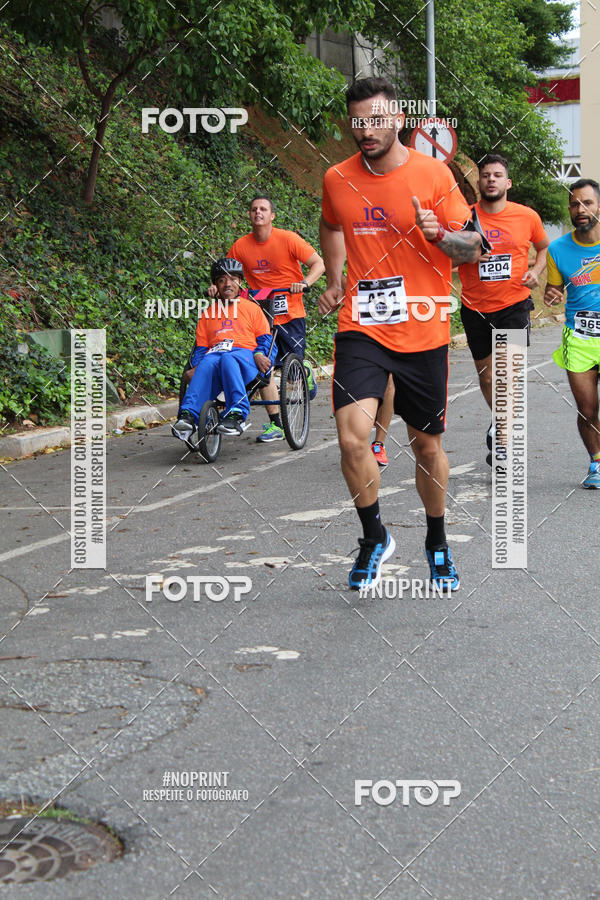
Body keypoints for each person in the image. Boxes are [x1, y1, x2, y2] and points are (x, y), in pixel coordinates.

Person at [319, 76, 482, 591]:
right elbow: (330, 224)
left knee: (427, 447)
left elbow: (473, 247)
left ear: (398, 119)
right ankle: (373, 537)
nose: (366, 129)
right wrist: (334, 275)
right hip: (362, 326)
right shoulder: (335, 178)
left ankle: (437, 541)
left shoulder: (435, 175)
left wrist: (441, 235)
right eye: (358, 120)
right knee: (352, 439)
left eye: (376, 119)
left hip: (424, 329)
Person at [458, 154, 549, 465]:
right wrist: (467, 257)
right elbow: (447, 258)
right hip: (475, 308)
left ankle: (503, 442)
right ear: (479, 181)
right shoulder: (463, 217)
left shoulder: (527, 216)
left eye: (497, 175)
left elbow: (543, 247)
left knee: (507, 376)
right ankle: (499, 421)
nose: (491, 180)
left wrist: (536, 272)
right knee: (487, 380)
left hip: (514, 304)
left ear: (507, 182)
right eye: (486, 175)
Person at [215, 195, 325, 441]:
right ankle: (276, 423)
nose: (258, 212)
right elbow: (227, 274)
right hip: (260, 313)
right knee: (263, 364)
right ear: (249, 215)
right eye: (254, 209)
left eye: (263, 209)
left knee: (292, 363)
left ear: (272, 216)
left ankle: (304, 370)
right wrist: (217, 287)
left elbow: (319, 263)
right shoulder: (241, 245)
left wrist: (305, 283)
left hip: (291, 312)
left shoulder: (288, 239)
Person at [172, 258, 274, 441]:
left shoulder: (252, 309)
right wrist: (195, 365)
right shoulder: (208, 314)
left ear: (240, 282)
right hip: (216, 357)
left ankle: (237, 414)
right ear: (216, 285)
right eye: (222, 280)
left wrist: (259, 353)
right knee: (207, 362)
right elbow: (201, 348)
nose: (228, 284)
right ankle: (188, 416)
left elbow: (265, 339)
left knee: (228, 359)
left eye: (233, 279)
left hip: (245, 359)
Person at [544, 178, 600, 489]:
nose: (581, 209)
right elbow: (553, 289)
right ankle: (597, 462)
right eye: (575, 203)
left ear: (598, 207)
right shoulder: (557, 249)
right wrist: (551, 296)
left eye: (587, 203)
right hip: (578, 337)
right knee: (587, 407)